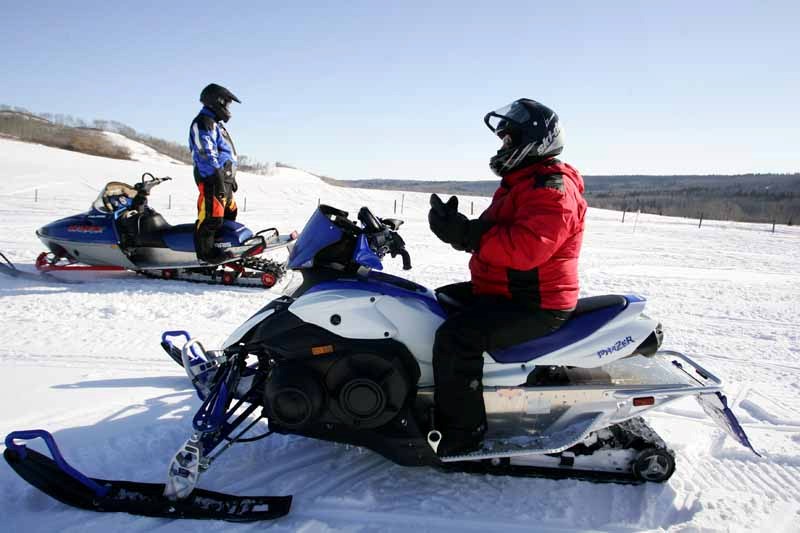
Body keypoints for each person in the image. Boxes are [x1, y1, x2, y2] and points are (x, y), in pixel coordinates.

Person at [427, 98, 587, 456]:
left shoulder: (552, 189)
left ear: (535, 142)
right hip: (505, 291)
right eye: (503, 141)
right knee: (429, 305)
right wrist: (458, 227)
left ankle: (462, 436)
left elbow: (527, 249)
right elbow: (498, 230)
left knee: (457, 338)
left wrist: (465, 234)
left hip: (536, 303)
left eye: (509, 141)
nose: (503, 148)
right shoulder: (522, 183)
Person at [189, 83, 241, 263]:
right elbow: (205, 151)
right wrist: (215, 174)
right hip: (211, 176)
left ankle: (222, 247)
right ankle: (205, 255)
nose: (228, 108)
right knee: (213, 217)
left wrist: (230, 177)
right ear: (217, 101)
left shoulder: (217, 124)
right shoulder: (204, 122)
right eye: (226, 103)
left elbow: (225, 152)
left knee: (229, 213)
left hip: (224, 177)